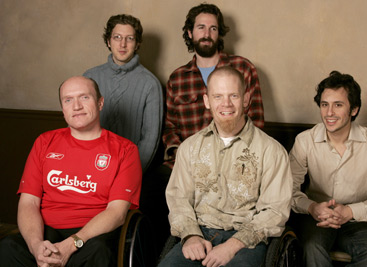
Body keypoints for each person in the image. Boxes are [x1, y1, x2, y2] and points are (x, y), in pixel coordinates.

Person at [0, 76, 142, 267]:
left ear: (100, 103)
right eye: (68, 100)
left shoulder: (125, 150)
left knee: (99, 251)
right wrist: (35, 246)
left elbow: (116, 213)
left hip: (92, 234)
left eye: (84, 97)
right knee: (8, 247)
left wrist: (73, 244)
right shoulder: (44, 142)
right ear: (63, 109)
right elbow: (29, 202)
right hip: (46, 230)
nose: (76, 106)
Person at [158, 67, 292, 267]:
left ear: (246, 99)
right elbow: (179, 199)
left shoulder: (272, 151)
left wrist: (233, 245)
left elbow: (274, 212)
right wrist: (190, 236)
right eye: (218, 96)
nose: (226, 104)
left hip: (247, 241)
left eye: (234, 96)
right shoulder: (190, 148)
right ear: (207, 101)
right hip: (199, 232)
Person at [289, 71, 367, 266]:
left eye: (338, 105)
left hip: (358, 221)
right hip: (316, 219)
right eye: (325, 105)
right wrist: (312, 207)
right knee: (311, 248)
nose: (329, 113)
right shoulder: (305, 141)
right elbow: (286, 190)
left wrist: (350, 211)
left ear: (354, 109)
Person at [163, 3, 265, 169]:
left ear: (219, 34)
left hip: (233, 163)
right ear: (190, 33)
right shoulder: (177, 78)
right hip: (186, 164)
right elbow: (170, 128)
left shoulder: (243, 68)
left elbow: (256, 122)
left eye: (213, 29)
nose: (207, 34)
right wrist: (181, 154)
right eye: (201, 27)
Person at [83, 14, 163, 173]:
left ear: (137, 43)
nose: (123, 44)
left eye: (130, 38)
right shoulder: (89, 77)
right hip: (89, 168)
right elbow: (77, 128)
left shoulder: (150, 84)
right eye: (117, 37)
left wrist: (130, 173)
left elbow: (150, 139)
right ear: (108, 41)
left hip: (128, 169)